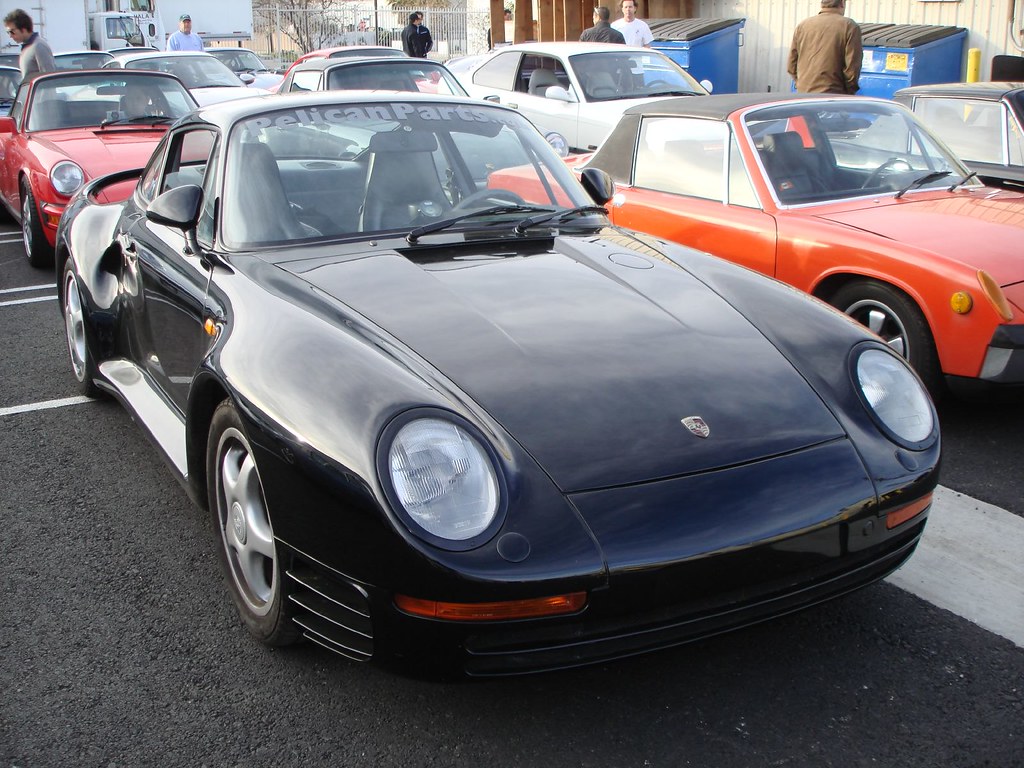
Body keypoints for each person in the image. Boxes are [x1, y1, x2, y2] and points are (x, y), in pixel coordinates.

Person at [787, 0, 862, 94]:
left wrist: (801, 84)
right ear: (842, 2)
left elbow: (791, 65)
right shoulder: (849, 26)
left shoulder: (803, 26)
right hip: (833, 95)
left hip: (804, 95)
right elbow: (852, 68)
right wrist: (849, 92)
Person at [3, 9, 55, 80]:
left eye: (12, 32)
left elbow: (49, 78)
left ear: (23, 29)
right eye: (8, 32)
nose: (10, 36)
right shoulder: (27, 47)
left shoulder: (38, 46)